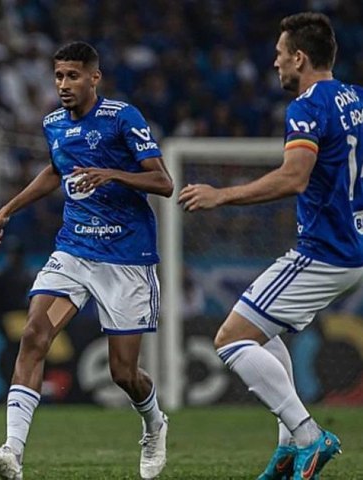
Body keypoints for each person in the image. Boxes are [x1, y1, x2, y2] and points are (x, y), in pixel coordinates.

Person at [0, 41, 174, 480]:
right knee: (34, 334)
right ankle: (12, 452)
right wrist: (6, 210)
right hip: (74, 251)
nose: (64, 84)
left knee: (123, 372)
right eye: (59, 76)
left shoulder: (122, 118)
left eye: (73, 76)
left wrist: (113, 173)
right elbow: (54, 171)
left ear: (94, 78)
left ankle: (154, 423)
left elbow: (164, 181)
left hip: (126, 257)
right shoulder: (53, 124)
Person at [178, 12, 362, 480]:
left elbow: (294, 177)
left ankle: (308, 436)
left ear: (299, 57)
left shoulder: (306, 105)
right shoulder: (356, 99)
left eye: (280, 55)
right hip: (352, 246)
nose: (275, 64)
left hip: (325, 251)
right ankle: (286, 451)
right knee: (264, 331)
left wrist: (223, 195)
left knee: (230, 338)